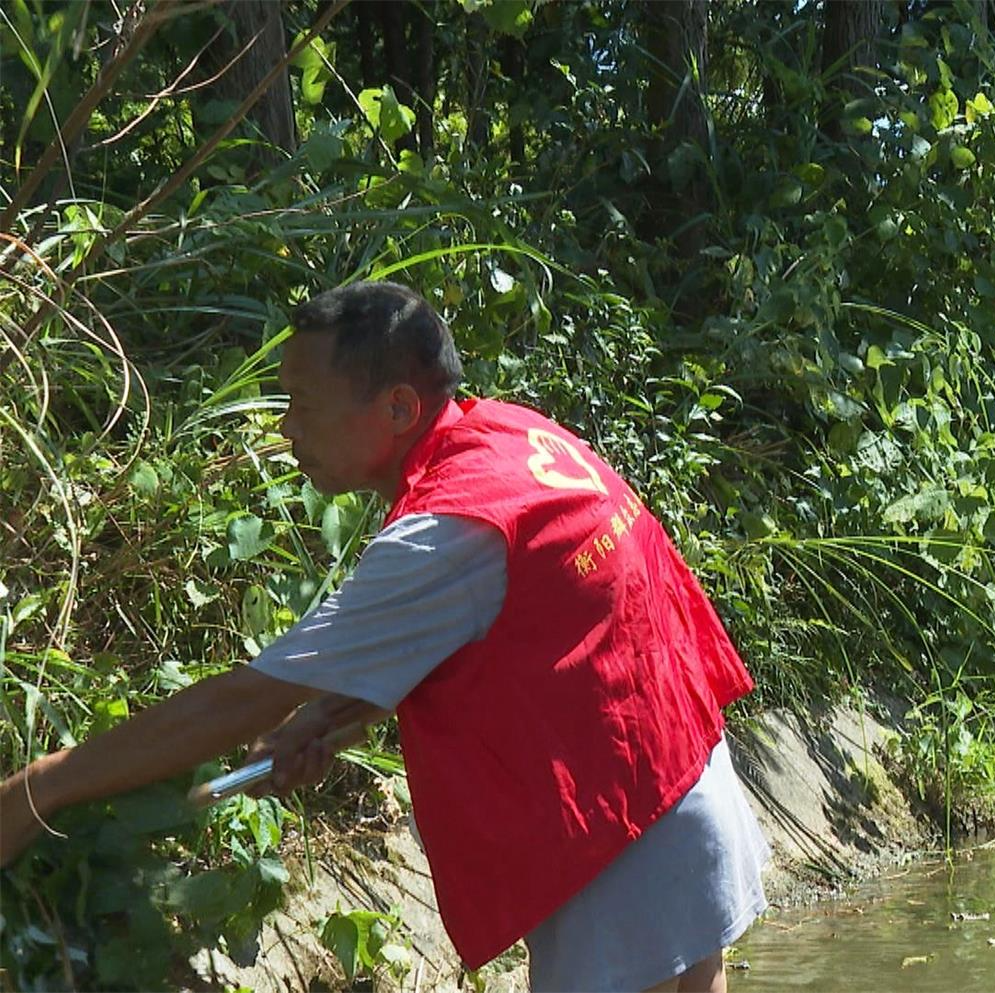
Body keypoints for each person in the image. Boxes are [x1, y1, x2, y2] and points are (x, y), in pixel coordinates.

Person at [0, 282, 769, 993]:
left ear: (398, 408)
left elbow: (246, 698)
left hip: (618, 851)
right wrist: (325, 720)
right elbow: (504, 630)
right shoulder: (512, 440)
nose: (285, 426)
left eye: (302, 403)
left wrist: (46, 787)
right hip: (689, 790)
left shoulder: (442, 533)